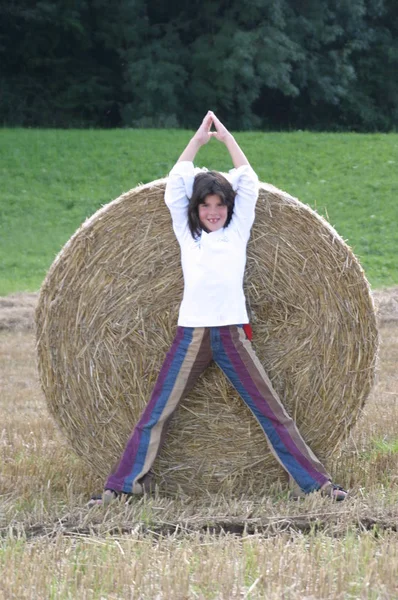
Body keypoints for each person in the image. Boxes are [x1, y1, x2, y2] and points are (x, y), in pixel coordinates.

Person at [89, 111, 347, 506]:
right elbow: (176, 184)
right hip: (191, 333)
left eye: (219, 204)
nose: (213, 211)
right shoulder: (186, 235)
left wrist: (226, 139)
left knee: (273, 412)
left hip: (231, 335)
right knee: (156, 413)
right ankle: (122, 487)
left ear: (228, 207)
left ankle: (316, 485)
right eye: (206, 205)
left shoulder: (237, 231)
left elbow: (249, 182)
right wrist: (197, 140)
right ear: (196, 209)